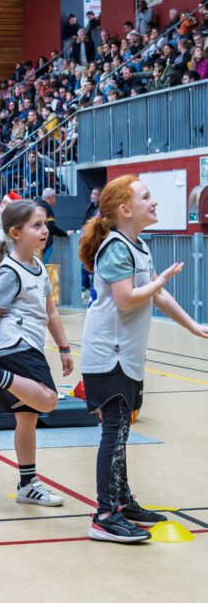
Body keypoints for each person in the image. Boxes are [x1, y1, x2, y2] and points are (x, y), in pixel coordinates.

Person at [79, 175, 208, 543]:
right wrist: (159, 281)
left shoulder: (138, 246)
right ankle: (105, 515)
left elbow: (157, 296)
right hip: (108, 355)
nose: (154, 202)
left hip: (128, 355)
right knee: (115, 430)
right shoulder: (115, 247)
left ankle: (122, 501)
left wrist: (192, 326)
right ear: (125, 210)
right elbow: (126, 299)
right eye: (146, 197)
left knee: (122, 431)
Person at [0, 200, 73, 505]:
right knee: (48, 399)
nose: (44, 230)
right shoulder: (10, 271)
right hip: (14, 347)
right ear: (15, 233)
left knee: (27, 418)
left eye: (45, 224)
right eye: (36, 225)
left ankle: (27, 484)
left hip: (29, 346)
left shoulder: (39, 267)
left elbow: (51, 311)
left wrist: (64, 347)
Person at [36, 187, 73, 263]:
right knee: (42, 264)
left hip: (35, 241)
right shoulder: (46, 208)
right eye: (55, 196)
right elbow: (51, 227)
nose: (55, 199)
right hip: (44, 242)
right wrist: (65, 234)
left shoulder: (37, 206)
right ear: (52, 197)